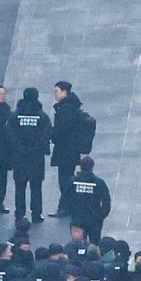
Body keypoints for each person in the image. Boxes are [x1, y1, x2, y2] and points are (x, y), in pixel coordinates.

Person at [8, 87, 51, 224]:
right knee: (36, 187)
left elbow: (10, 134)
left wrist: (19, 148)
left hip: (19, 157)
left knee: (20, 187)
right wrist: (36, 148)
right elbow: (47, 134)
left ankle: (19, 214)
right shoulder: (42, 117)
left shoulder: (15, 116)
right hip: (36, 157)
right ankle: (36, 214)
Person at [49, 80, 86, 217]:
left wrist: (51, 133)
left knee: (64, 179)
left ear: (64, 92)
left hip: (65, 150)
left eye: (57, 91)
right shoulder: (71, 106)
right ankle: (68, 205)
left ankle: (65, 206)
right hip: (71, 149)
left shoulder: (66, 109)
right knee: (67, 177)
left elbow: (62, 129)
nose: (55, 94)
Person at [66, 155, 111, 244]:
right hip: (94, 221)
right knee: (94, 245)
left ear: (80, 166)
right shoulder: (99, 183)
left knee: (77, 244)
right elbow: (106, 201)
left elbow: (65, 198)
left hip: (77, 219)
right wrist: (100, 216)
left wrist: (72, 211)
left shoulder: (72, 181)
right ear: (92, 167)